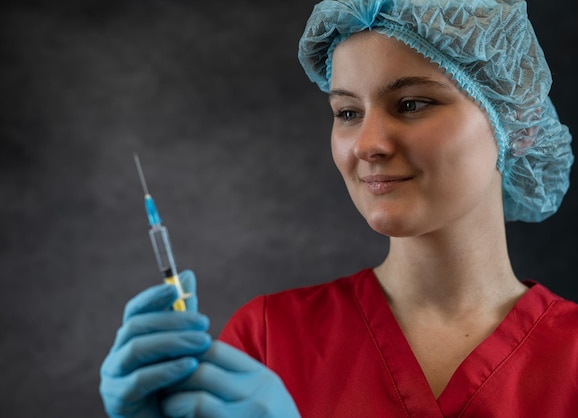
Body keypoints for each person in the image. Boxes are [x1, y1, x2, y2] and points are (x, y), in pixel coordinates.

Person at [99, 0, 576, 416]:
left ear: (519, 123)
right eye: (348, 113)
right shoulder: (267, 338)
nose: (366, 144)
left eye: (411, 104)